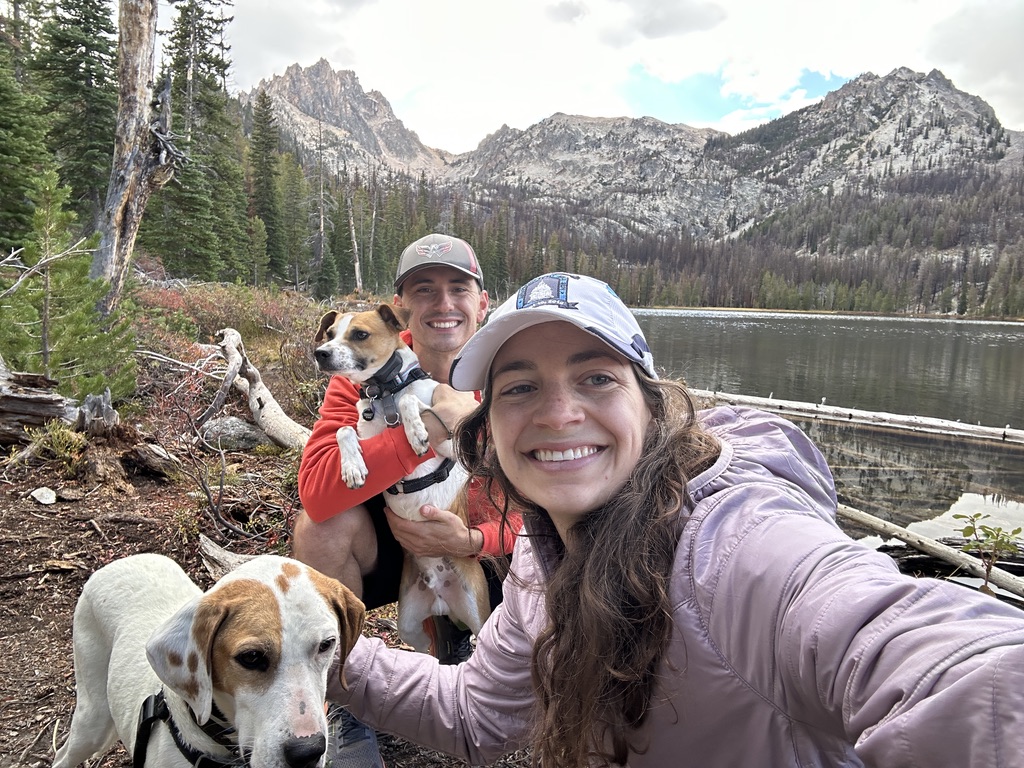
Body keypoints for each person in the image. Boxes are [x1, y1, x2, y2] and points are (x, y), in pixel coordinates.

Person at [329, 271, 1024, 768]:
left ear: (652, 406)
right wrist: (309, 640)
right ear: (490, 430)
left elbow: (948, 666)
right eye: (519, 388)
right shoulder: (546, 558)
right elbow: (475, 716)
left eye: (597, 377)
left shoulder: (737, 543)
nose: (558, 412)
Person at [293, 234, 520, 764]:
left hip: (489, 545)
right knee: (318, 528)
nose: (443, 304)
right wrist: (433, 425)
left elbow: (552, 503)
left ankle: (483, 650)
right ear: (401, 311)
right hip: (397, 545)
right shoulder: (364, 367)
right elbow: (318, 491)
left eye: (458, 288)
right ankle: (345, 697)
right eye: (424, 290)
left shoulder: (512, 376)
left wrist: (474, 538)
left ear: (482, 303)